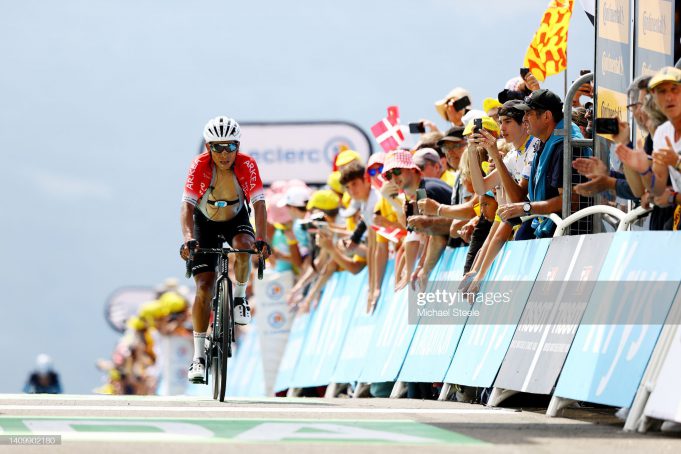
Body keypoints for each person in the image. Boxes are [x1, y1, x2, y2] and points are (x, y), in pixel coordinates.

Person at [179, 116, 271, 383]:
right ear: (208, 148)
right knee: (204, 287)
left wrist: (262, 238)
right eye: (217, 147)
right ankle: (198, 358)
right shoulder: (199, 166)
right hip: (204, 223)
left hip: (235, 219)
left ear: (237, 146)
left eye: (230, 147)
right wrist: (188, 238)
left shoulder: (247, 164)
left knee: (244, 247)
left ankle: (239, 298)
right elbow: (186, 206)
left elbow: (260, 203)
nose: (224, 154)